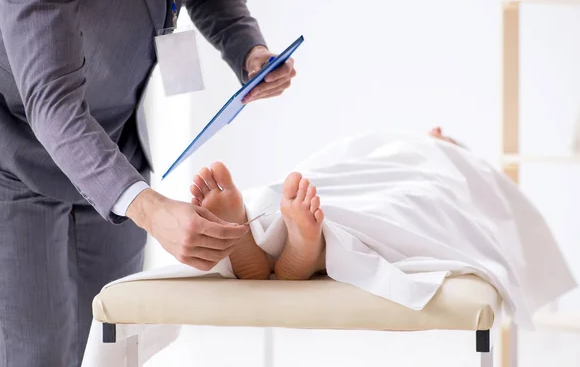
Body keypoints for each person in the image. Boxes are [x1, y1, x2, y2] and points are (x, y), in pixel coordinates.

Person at [0, 0, 295, 365]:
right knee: (37, 354)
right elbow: (53, 103)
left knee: (112, 346)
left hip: (114, 138)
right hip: (15, 140)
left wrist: (249, 51)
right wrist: (151, 208)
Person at [187, 127, 576, 326]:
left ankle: (261, 234)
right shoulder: (393, 145)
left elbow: (488, 199)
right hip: (382, 170)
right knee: (389, 199)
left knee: (399, 193)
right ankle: (311, 246)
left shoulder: (459, 164)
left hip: (428, 175)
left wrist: (451, 150)